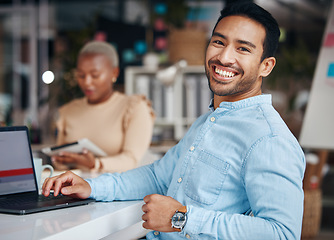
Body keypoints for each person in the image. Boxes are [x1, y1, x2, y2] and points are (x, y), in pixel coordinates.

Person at [43, 2, 305, 239]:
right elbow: (158, 177)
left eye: (243, 48)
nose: (224, 57)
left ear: (266, 66)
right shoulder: (207, 122)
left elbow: (282, 233)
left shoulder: (269, 139)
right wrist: (91, 186)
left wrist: (181, 218)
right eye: (218, 42)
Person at [51, 41, 155, 173]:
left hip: (119, 190)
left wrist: (95, 164)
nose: (87, 82)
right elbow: (61, 164)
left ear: (114, 73)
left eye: (95, 75)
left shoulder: (134, 107)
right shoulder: (68, 111)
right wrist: (62, 161)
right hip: (74, 189)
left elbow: (131, 160)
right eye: (81, 75)